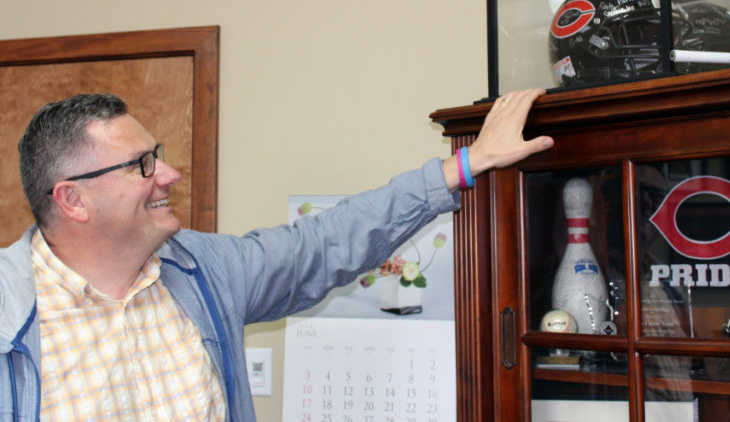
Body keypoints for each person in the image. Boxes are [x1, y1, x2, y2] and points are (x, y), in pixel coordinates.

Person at [0, 89, 553, 421]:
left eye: (159, 155)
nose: (168, 175)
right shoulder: (8, 312)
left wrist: (463, 166)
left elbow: (326, 241)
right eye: (142, 164)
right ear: (73, 199)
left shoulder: (203, 271)